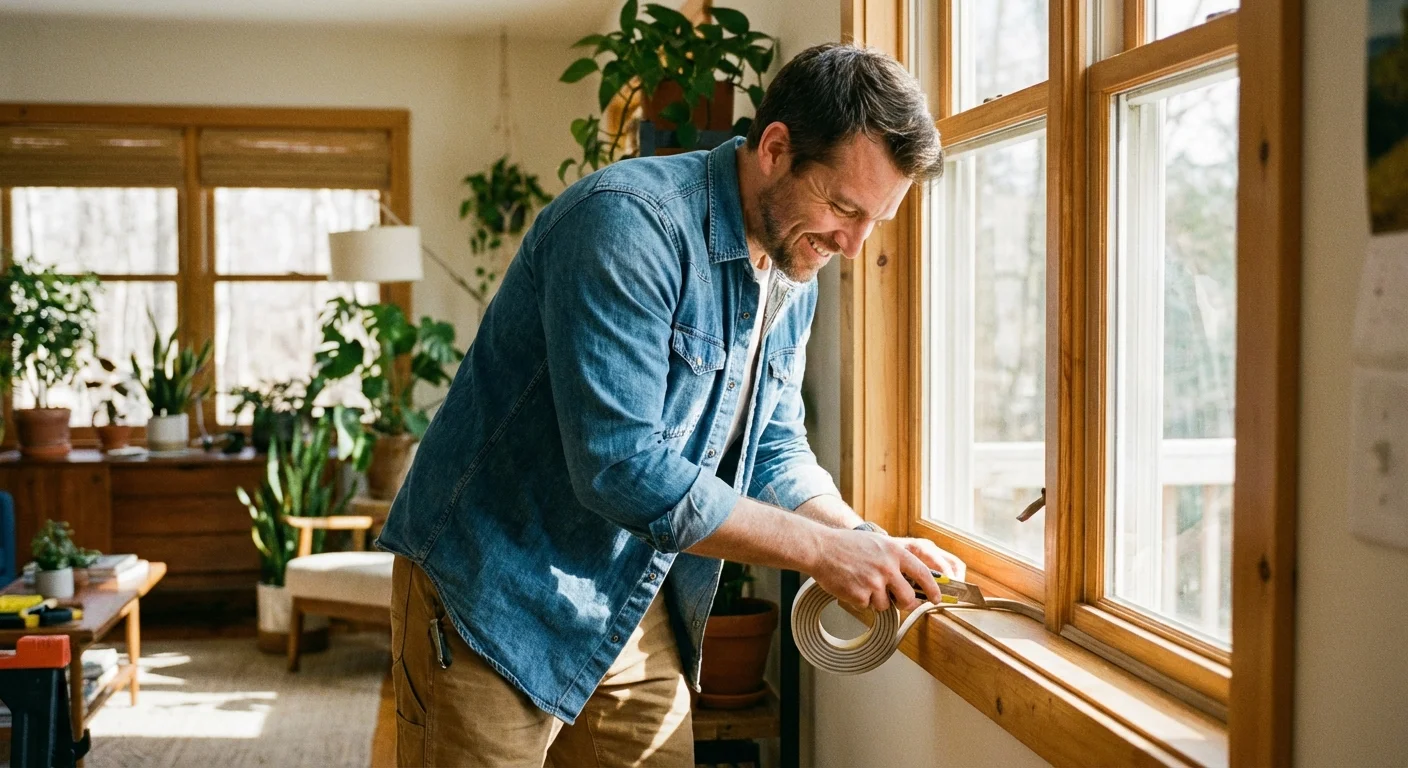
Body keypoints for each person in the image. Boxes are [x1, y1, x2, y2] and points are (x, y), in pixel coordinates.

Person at [376, 42, 962, 767]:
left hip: (626, 595)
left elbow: (772, 447)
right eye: (844, 207)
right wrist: (823, 553)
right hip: (491, 592)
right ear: (775, 148)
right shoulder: (626, 224)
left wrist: (864, 540)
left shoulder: (790, 267)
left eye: (876, 220)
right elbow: (621, 467)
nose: (852, 245)